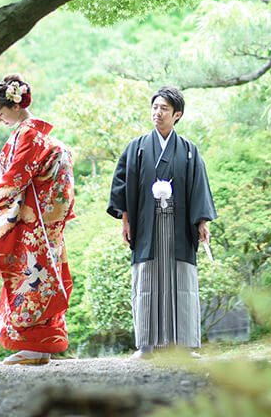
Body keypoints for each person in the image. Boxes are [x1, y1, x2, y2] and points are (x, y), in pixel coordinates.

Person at [107, 86, 217, 357]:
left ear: (177, 114)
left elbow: (199, 187)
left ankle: (183, 345)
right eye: (155, 107)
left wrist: (202, 221)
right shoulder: (137, 148)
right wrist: (125, 219)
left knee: (181, 282)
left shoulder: (189, 150)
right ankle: (147, 344)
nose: (157, 113)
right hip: (147, 224)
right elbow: (122, 185)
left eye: (164, 109)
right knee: (147, 282)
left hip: (179, 226)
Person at [0, 74, 75, 365]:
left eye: (0, 113)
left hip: (34, 222)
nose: (1, 120)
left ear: (13, 105)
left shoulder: (29, 135)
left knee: (32, 280)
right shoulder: (39, 135)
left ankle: (37, 348)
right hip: (45, 221)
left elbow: (16, 179)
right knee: (44, 278)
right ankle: (41, 346)